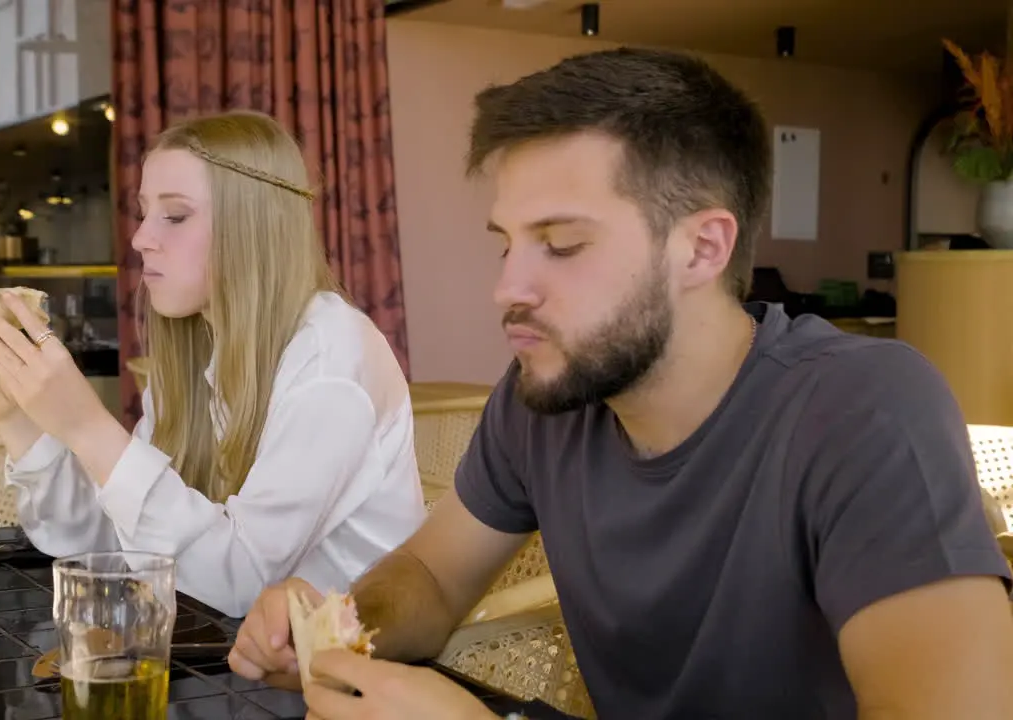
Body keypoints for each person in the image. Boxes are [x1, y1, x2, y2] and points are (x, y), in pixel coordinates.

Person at [229, 49, 1013, 718]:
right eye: (507, 243)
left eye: (561, 244)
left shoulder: (863, 411)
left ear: (703, 249)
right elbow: (431, 579)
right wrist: (338, 625)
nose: (509, 287)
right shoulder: (547, 398)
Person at [0, 110, 426, 617]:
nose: (140, 238)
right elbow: (104, 544)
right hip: (239, 659)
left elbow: (239, 583)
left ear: (252, 226)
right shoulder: (205, 347)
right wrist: (20, 421)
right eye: (143, 213)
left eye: (175, 216)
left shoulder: (330, 363)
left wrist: (90, 428)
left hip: (351, 668)